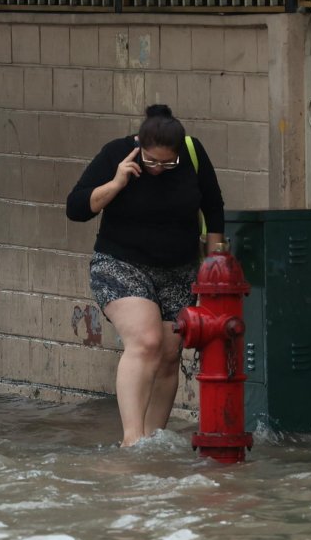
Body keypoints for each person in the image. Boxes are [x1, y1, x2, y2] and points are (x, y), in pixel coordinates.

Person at [66, 105, 224, 447]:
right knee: (147, 341)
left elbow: (213, 210)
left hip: (179, 269)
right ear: (140, 144)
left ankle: (152, 442)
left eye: (168, 163)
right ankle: (131, 440)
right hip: (121, 263)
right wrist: (116, 182)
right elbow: (75, 208)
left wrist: (214, 265)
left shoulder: (193, 154)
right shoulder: (116, 153)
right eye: (151, 161)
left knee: (168, 353)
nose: (158, 169)